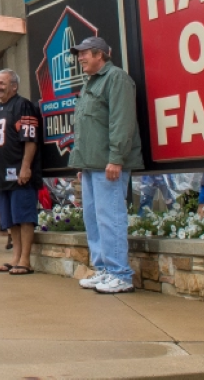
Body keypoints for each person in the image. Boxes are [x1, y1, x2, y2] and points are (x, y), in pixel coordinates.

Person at [68, 36, 143, 295]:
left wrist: (116, 158)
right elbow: (88, 125)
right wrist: (82, 161)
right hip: (91, 165)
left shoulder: (116, 78)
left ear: (100, 54)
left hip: (109, 164)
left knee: (110, 217)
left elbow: (121, 121)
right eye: (79, 54)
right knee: (94, 219)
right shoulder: (91, 82)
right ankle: (104, 269)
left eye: (84, 53)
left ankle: (120, 274)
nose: (80, 58)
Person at [0, 69, 43, 276]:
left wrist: (26, 167)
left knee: (24, 217)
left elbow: (30, 139)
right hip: (1, 175)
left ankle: (25, 260)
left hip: (20, 174)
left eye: (3, 83)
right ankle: (15, 258)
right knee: (10, 219)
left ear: (14, 86)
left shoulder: (23, 105)